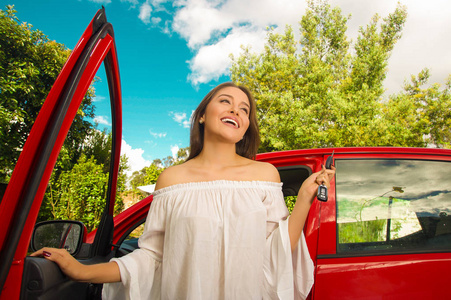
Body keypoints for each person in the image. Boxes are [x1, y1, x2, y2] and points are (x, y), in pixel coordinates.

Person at [32, 82, 335, 299]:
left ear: (245, 127)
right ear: (203, 114)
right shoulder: (172, 179)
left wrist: (305, 198)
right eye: (226, 101)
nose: (236, 110)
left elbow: (277, 250)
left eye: (245, 110)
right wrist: (80, 270)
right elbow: (150, 258)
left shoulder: (264, 175)